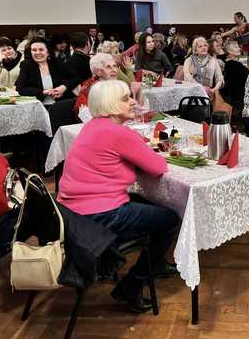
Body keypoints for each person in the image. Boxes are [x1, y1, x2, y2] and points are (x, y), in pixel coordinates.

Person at [57, 80, 179, 312]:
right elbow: (158, 167)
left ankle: (157, 262)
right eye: (126, 98)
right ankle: (132, 285)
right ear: (110, 105)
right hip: (100, 215)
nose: (132, 101)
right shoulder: (117, 133)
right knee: (170, 220)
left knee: (150, 204)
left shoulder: (94, 126)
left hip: (72, 212)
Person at [15, 38, 80, 105]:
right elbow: (21, 89)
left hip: (60, 105)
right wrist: (43, 92)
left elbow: (76, 77)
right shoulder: (26, 65)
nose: (37, 53)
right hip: (38, 106)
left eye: (41, 50)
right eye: (34, 50)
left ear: (48, 51)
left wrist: (63, 87)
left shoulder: (56, 63)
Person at [73, 53, 120, 121]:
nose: (114, 70)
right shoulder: (89, 88)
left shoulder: (117, 85)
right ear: (98, 72)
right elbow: (85, 115)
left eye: (115, 66)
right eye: (108, 67)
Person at [218, 41, 249, 109]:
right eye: (235, 47)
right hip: (239, 99)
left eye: (238, 47)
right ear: (229, 51)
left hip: (236, 98)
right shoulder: (234, 65)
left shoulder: (229, 63)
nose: (239, 48)